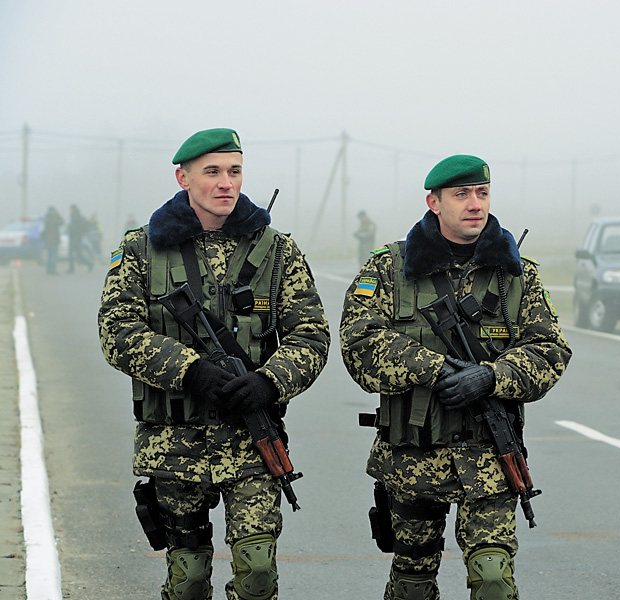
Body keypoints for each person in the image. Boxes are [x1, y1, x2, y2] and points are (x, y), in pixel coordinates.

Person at [98, 128, 330, 600]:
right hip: (174, 443)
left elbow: (312, 334)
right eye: (213, 172)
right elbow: (116, 329)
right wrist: (189, 369)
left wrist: (270, 381)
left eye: (235, 171)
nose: (226, 182)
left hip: (253, 439)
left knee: (258, 572)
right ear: (183, 177)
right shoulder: (142, 249)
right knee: (187, 579)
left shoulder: (278, 251)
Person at [340, 155, 571, 600]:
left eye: (482, 193)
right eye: (461, 194)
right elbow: (358, 345)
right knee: (412, 581)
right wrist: (434, 368)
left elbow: (551, 351)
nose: (474, 204)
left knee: (493, 579)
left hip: (489, 455)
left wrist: (491, 376)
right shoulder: (389, 268)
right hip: (412, 455)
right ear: (434, 202)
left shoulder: (518, 274)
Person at [67, 204, 92, 272]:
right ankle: (88, 264)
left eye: (71, 209)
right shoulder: (74, 216)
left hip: (75, 238)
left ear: (73, 209)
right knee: (77, 254)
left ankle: (72, 268)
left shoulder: (76, 217)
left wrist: (74, 232)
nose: (70, 211)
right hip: (75, 237)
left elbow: (76, 228)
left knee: (73, 253)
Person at [41, 206, 64, 274]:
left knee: (49, 255)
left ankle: (48, 270)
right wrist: (59, 215)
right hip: (54, 240)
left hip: (48, 240)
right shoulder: (54, 217)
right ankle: (53, 270)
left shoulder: (47, 217)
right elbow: (61, 223)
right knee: (54, 255)